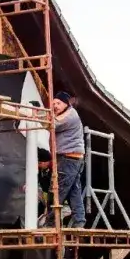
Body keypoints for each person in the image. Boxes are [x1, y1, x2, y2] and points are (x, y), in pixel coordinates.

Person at [51, 91, 86, 226]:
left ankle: (50, 224)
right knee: (74, 192)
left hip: (68, 158)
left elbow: (52, 124)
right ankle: (79, 222)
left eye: (58, 103)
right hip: (74, 158)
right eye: (53, 103)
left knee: (57, 191)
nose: (55, 106)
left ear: (66, 104)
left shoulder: (69, 115)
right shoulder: (68, 114)